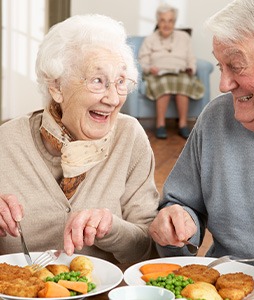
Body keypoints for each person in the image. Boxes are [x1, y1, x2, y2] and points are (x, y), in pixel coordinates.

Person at [149, 0, 254, 298]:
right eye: (221, 66)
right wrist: (177, 222)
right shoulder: (215, 117)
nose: (223, 84)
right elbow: (182, 202)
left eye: (236, 65)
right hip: (219, 289)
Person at [0, 14, 160, 264]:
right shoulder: (6, 143)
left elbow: (147, 249)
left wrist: (112, 228)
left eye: (120, 82)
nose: (113, 98)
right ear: (56, 87)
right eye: (98, 81)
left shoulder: (129, 137)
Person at [138, 4, 204, 139]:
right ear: (158, 22)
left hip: (180, 72)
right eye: (163, 20)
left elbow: (191, 57)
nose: (166, 24)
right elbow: (142, 60)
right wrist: (150, 68)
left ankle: (183, 125)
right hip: (158, 74)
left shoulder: (184, 37)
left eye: (170, 21)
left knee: (184, 82)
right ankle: (160, 125)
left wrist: (191, 68)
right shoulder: (150, 39)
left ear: (174, 22)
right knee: (165, 83)